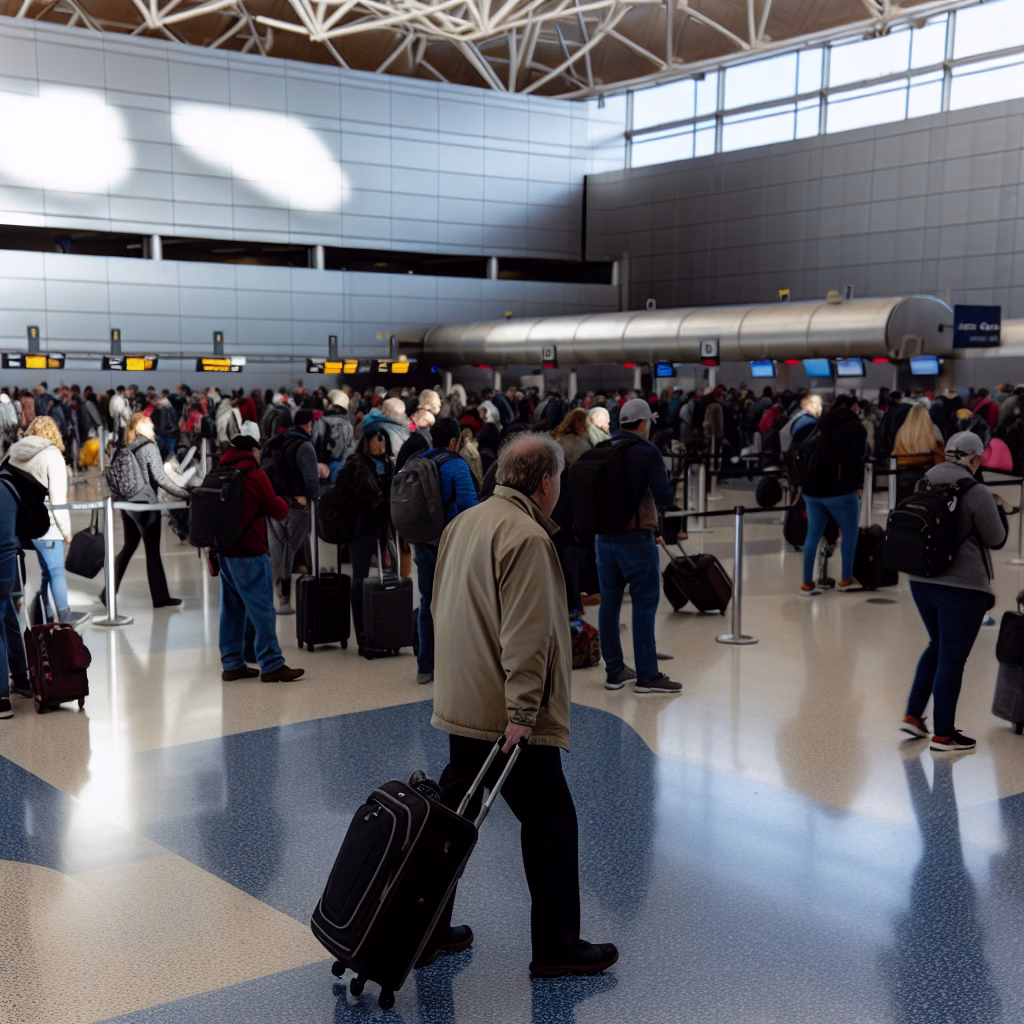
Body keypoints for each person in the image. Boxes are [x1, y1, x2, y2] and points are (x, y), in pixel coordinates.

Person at [426, 435, 618, 978]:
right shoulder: (528, 538)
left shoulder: (463, 523)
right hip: (506, 714)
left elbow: (440, 606)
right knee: (552, 822)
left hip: (462, 701)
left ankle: (426, 929)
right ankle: (557, 946)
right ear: (546, 483)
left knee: (452, 821)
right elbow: (528, 636)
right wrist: (524, 712)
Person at [900, 432, 1008, 753]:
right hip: (962, 588)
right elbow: (996, 538)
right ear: (975, 459)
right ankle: (944, 734)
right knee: (952, 657)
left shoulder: (924, 483)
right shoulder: (977, 492)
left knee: (937, 645)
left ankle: (913, 714)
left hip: (922, 581)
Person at [595, 398, 681, 694]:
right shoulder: (647, 451)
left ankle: (615, 670)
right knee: (645, 603)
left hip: (602, 539)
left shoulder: (602, 448)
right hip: (635, 537)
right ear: (644, 423)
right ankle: (647, 675)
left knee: (610, 603)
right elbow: (664, 496)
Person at [216, 435, 304, 683]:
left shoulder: (221, 471)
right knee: (263, 609)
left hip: (225, 552)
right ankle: (272, 663)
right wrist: (287, 502)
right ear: (253, 451)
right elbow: (277, 510)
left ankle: (232, 663)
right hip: (250, 552)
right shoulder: (255, 475)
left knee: (231, 609)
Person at [407, 417, 478, 685]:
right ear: (453, 441)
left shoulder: (417, 459)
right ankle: (455, 666)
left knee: (428, 603)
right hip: (451, 546)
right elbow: (471, 508)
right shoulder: (457, 465)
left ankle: (425, 667)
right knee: (457, 605)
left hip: (423, 543)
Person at [5, 417, 90, 626]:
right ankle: (64, 613)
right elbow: (58, 500)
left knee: (44, 573)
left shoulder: (15, 453)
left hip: (21, 524)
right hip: (46, 523)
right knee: (55, 571)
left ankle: (40, 615)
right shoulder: (53, 456)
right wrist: (67, 532)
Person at [107, 413, 190, 609]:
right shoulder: (149, 446)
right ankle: (160, 597)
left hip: (128, 503)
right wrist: (185, 494)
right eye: (149, 424)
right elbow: (160, 479)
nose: (153, 426)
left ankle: (107, 592)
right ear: (142, 427)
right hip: (146, 504)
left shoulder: (128, 447)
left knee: (129, 547)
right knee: (152, 550)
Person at [796, 394, 866, 596]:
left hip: (812, 489)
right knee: (849, 533)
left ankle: (807, 584)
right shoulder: (856, 428)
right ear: (851, 407)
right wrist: (858, 485)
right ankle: (845, 580)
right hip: (840, 491)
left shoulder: (821, 423)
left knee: (813, 534)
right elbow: (856, 461)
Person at [334, 426, 396, 648]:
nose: (381, 444)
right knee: (359, 578)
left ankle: (384, 625)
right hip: (361, 528)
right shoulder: (355, 465)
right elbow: (341, 496)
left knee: (390, 577)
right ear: (366, 441)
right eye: (377, 440)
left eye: (384, 440)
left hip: (383, 528)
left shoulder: (389, 464)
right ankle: (361, 631)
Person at [265, 409, 321, 614]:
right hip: (296, 507)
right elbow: (311, 480)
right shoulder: (304, 445)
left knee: (277, 554)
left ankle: (270, 600)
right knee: (289, 553)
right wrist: (315, 498)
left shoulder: (280, 442)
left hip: (275, 505)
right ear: (308, 425)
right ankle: (285, 602)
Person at [313, 389, 356, 482]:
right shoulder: (347, 425)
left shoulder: (319, 422)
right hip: (339, 470)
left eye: (328, 401)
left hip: (318, 469)